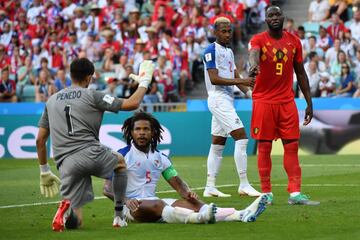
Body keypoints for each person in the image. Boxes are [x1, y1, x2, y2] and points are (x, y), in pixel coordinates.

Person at [36, 58, 154, 231]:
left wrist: (44, 171)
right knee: (120, 162)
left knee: (77, 219)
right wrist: (144, 82)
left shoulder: (51, 100)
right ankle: (119, 216)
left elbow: (40, 140)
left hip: (65, 163)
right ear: (89, 78)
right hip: (90, 153)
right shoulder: (93, 95)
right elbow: (132, 103)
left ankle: (67, 211)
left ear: (71, 75)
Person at [102, 112, 267, 224]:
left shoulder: (161, 158)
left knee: (194, 203)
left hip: (154, 202)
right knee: (158, 204)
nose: (142, 133)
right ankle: (199, 218)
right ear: (131, 133)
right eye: (138, 129)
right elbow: (107, 189)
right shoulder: (121, 156)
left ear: (153, 132)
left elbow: (178, 183)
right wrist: (125, 200)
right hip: (131, 208)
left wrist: (187, 193)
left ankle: (240, 214)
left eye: (146, 129)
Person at [248, 6, 320, 205]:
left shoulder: (294, 41)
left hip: (287, 101)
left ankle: (295, 193)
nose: (274, 18)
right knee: (264, 147)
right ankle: (266, 193)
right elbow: (254, 54)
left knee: (292, 147)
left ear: (283, 17)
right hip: (263, 100)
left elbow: (301, 73)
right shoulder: (258, 40)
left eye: (277, 14)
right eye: (270, 15)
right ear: (266, 20)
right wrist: (253, 66)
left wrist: (309, 102)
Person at [202, 17, 260, 198]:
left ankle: (210, 186)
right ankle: (243, 184)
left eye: (229, 31)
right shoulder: (210, 50)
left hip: (227, 99)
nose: (227, 34)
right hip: (218, 98)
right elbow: (214, 78)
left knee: (218, 144)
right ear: (215, 32)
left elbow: (234, 74)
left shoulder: (229, 51)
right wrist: (242, 80)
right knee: (241, 138)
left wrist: (250, 94)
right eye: (223, 31)